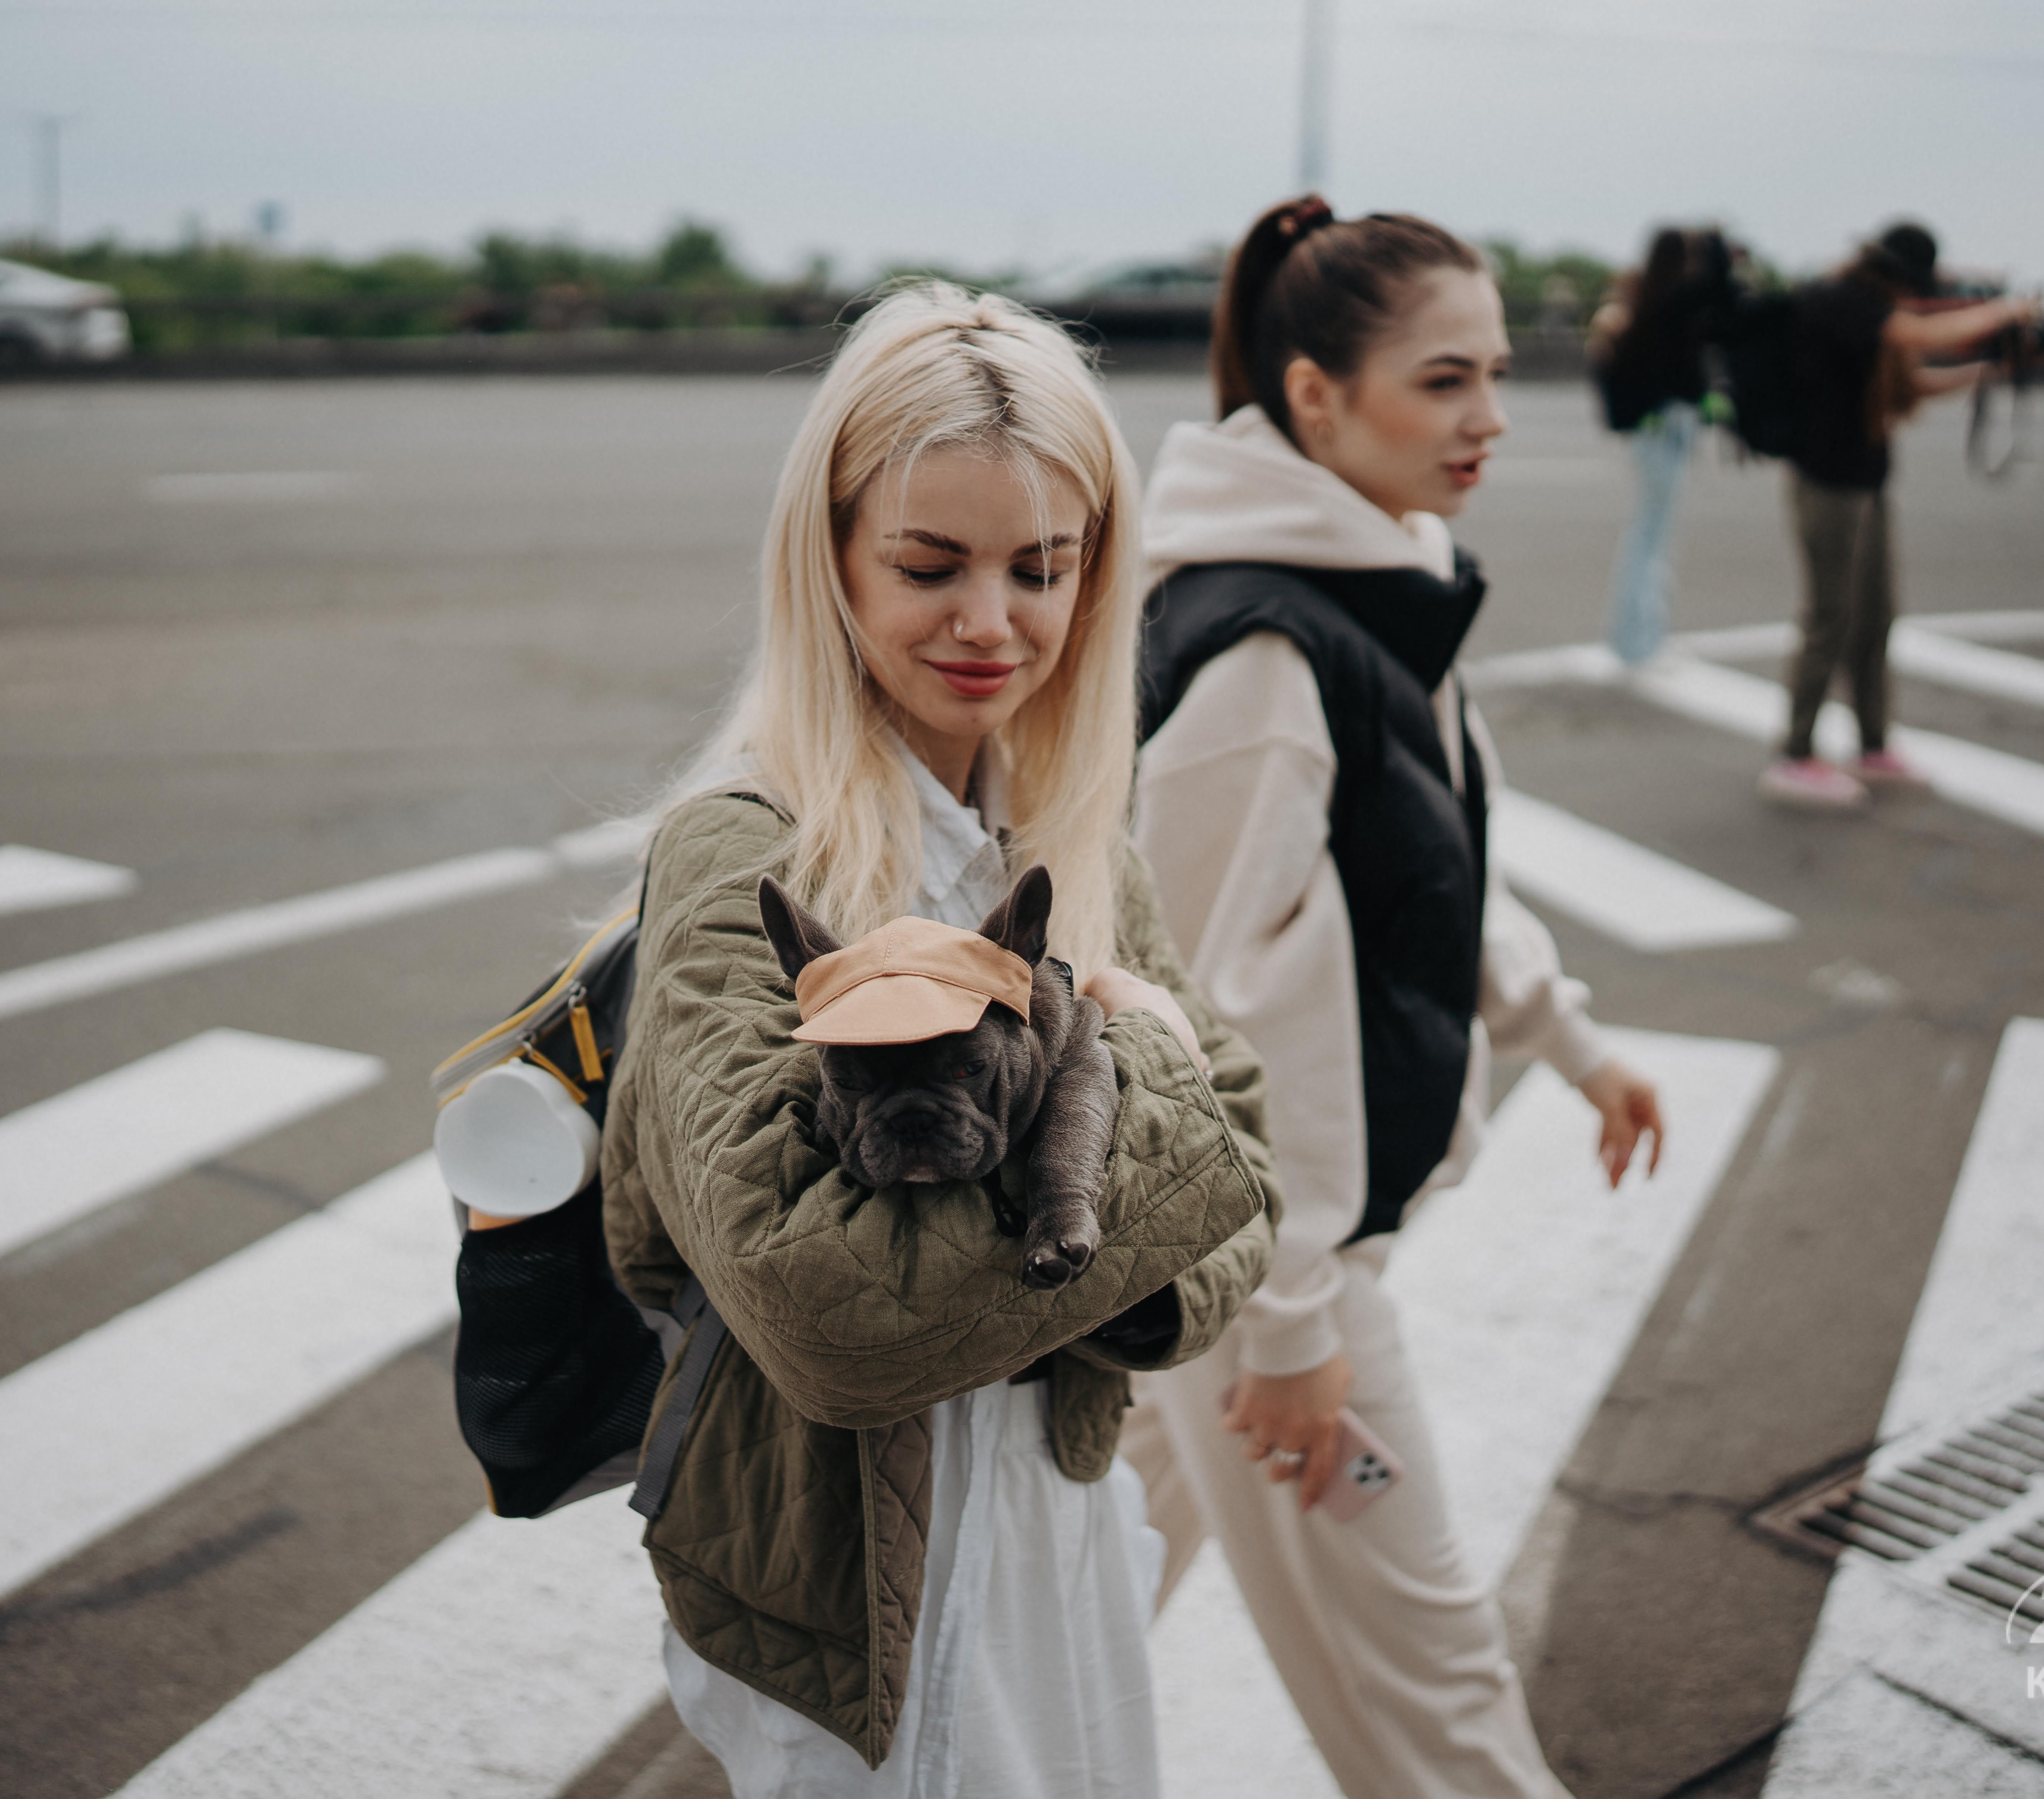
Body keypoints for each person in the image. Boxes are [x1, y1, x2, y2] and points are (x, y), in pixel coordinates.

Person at [595, 281, 1279, 1797]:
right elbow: (824, 1318)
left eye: (1043, 568)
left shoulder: (1075, 841)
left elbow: (1253, 1193)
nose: (990, 620)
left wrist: (1107, 1273)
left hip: (1059, 1517)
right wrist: (1139, 1103)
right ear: (830, 558)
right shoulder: (741, 855)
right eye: (928, 565)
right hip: (849, 1598)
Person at [1121, 195, 1670, 1799]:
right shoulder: (1268, 660)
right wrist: (1290, 1323)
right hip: (1261, 1279)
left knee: (1054, 1606)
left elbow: (1437, 859)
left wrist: (1566, 1037)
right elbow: (1200, 1030)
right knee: (1435, 1693)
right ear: (1315, 396)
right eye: (1444, 381)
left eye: (1495, 374)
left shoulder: (1381, 578)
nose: (1489, 417)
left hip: (1228, 1275)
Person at [1759, 221, 2035, 809]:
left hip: (1867, 483)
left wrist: (1988, 371)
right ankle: (1795, 754)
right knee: (1830, 618)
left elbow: (1912, 385)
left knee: (1875, 617)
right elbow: (1918, 335)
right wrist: (2004, 312)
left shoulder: (1870, 312)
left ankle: (1872, 744)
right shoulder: (1839, 302)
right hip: (1827, 483)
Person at [1589, 227, 1728, 664]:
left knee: (1647, 534)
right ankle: (1641, 642)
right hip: (1668, 429)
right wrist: (1714, 243)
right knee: (1653, 537)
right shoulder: (1672, 304)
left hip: (1650, 432)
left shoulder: (1643, 303)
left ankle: (1638, 638)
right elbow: (1718, 286)